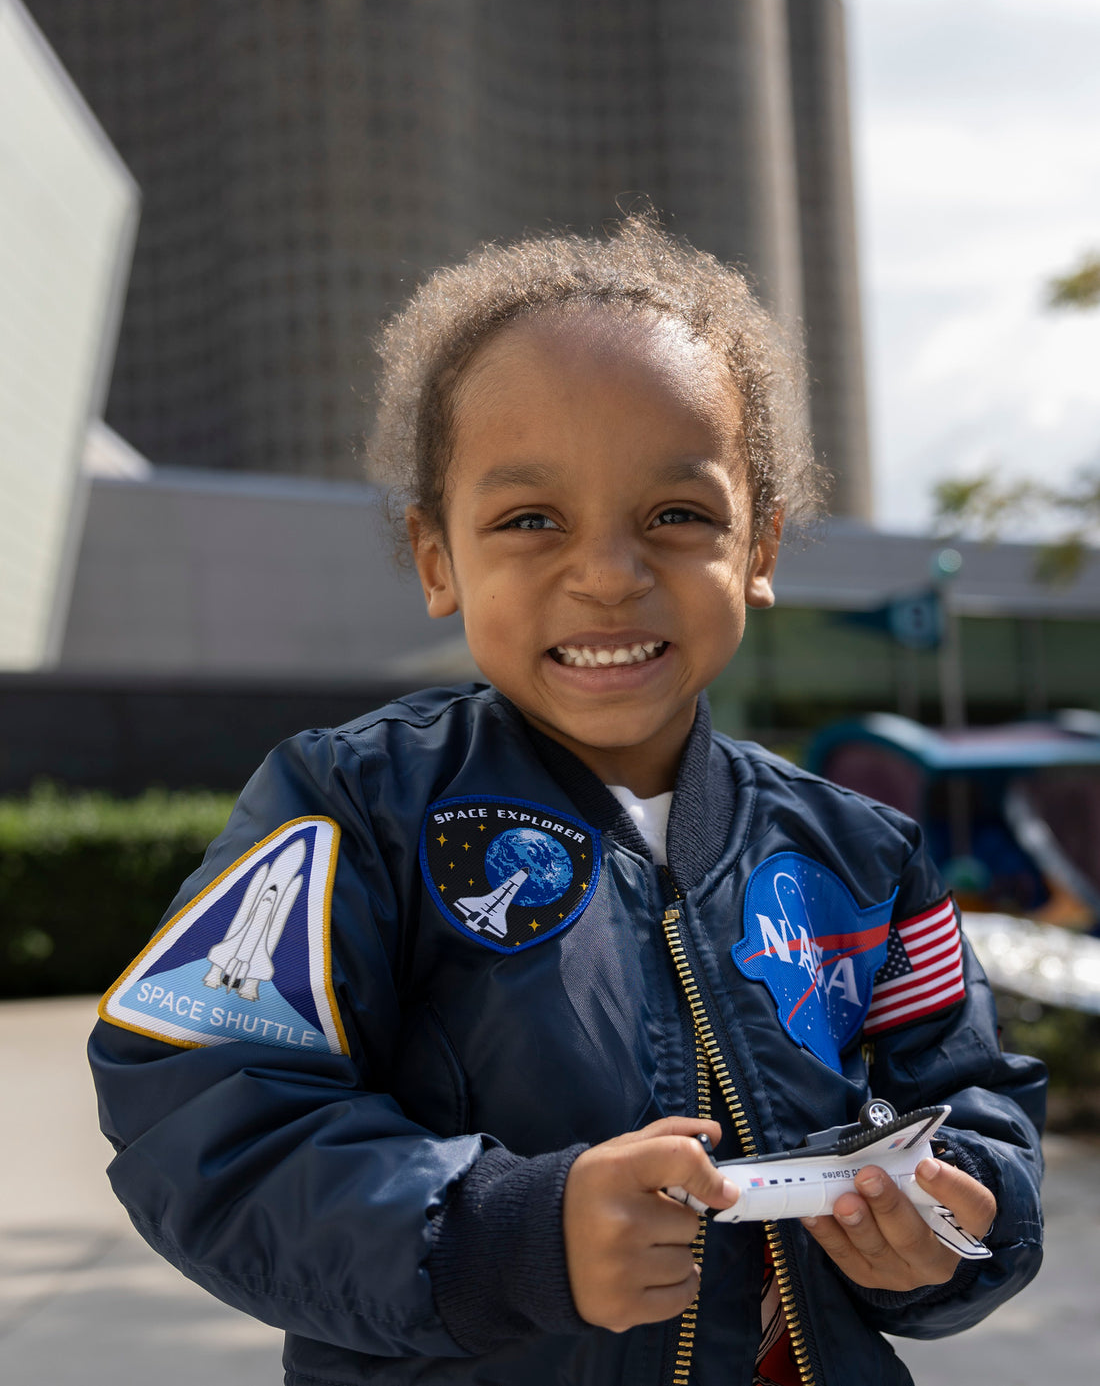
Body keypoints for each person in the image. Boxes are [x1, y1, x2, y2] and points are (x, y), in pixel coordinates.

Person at [89, 216, 1045, 1386]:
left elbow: (968, 1098)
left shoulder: (862, 853)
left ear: (760, 543)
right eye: (529, 519)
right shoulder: (349, 808)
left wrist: (962, 1222)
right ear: (436, 555)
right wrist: (505, 1230)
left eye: (676, 515)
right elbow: (204, 1112)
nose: (605, 572)